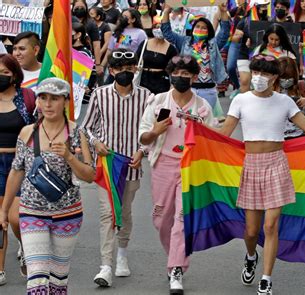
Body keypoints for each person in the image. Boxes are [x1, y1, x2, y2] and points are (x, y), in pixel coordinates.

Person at [214, 54, 305, 295]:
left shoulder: (284, 102)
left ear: (275, 77)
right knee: (250, 231)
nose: (259, 77)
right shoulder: (241, 100)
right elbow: (224, 132)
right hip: (252, 165)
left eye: (266, 74)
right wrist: (197, 127)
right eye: (256, 72)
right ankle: (250, 256)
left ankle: (266, 278)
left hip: (277, 164)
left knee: (270, 226)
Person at [0, 77, 95, 293]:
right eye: (43, 98)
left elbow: (90, 175)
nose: (48, 104)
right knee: (37, 278)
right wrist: (4, 211)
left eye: (55, 98)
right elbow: (16, 171)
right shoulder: (27, 133)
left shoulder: (78, 134)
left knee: (58, 279)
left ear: (66, 102)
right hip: (32, 213)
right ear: (38, 102)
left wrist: (70, 157)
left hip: (68, 214)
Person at [138, 55, 215, 295]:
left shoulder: (202, 107)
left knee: (182, 219)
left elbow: (213, 138)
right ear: (170, 75)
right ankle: (174, 256)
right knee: (162, 219)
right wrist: (155, 131)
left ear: (194, 77)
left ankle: (176, 268)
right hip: (162, 164)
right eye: (176, 73)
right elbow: (142, 137)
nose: (180, 78)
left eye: (186, 74)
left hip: (190, 167)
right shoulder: (159, 101)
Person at [82, 49, 151, 287]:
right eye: (120, 68)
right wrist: (95, 143)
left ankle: (122, 252)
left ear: (135, 70)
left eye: (129, 68)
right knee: (107, 213)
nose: (125, 73)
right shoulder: (100, 95)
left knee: (125, 211)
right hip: (108, 164)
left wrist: (143, 152)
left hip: (131, 165)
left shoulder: (146, 96)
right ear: (111, 71)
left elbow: (151, 133)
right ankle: (105, 266)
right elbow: (87, 127)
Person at [0, 54, 35, 285]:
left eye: (5, 73)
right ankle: (0, 269)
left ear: (14, 75)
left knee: (14, 218)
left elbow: (38, 126)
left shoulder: (27, 97)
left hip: (19, 164)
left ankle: (26, 246)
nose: (1, 77)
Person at [161, 3, 230, 109]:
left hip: (208, 91)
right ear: (192, 29)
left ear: (209, 31)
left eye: (204, 28)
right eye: (197, 26)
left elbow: (225, 32)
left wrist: (224, 12)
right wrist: (166, 12)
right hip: (188, 89)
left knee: (203, 121)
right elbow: (167, 33)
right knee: (187, 121)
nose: (200, 29)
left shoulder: (213, 44)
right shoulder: (184, 41)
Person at [274, 56, 305, 139]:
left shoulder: (301, 86)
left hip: (300, 137)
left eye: (289, 78)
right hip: (277, 139)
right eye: (283, 78)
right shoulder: (270, 88)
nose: (286, 81)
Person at [235, 0, 271, 93]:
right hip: (245, 54)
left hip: (263, 56)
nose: (264, 8)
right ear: (254, 7)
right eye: (262, 6)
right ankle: (245, 105)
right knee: (244, 81)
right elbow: (234, 38)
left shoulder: (270, 21)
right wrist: (238, 36)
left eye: (266, 6)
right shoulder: (244, 22)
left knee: (261, 84)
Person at [136, 15, 178, 94]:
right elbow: (136, 60)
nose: (158, 29)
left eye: (161, 27)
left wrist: (172, 86)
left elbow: (174, 69)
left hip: (161, 82)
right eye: (156, 27)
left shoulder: (171, 48)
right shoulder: (145, 43)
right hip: (143, 80)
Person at [72, 0, 103, 76]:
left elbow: (96, 45)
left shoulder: (91, 23)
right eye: (77, 7)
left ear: (86, 8)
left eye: (82, 7)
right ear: (73, 9)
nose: (79, 9)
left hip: (85, 57)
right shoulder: (68, 20)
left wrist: (98, 64)